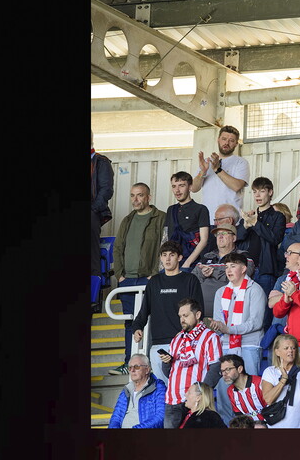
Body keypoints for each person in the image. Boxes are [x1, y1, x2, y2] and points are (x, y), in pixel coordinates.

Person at [110, 183, 167, 375]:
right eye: (133, 195)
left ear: (148, 197)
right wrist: (120, 274)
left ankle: (149, 363)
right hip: (127, 281)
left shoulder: (160, 218)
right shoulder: (127, 220)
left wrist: (155, 273)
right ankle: (129, 363)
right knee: (129, 323)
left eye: (140, 195)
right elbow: (117, 248)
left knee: (149, 322)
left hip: (148, 279)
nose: (136, 200)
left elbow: (164, 244)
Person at [129, 241, 203, 385]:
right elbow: (144, 311)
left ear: (180, 257)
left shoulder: (190, 280)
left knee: (186, 388)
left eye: (172, 255)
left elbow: (199, 313)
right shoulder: (154, 282)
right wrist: (137, 327)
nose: (167, 259)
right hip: (159, 346)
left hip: (185, 344)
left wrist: (188, 336)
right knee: (163, 391)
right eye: (164, 255)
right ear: (160, 258)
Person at [207, 252, 266, 424]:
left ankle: (256, 425)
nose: (228, 270)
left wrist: (229, 329)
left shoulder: (255, 290)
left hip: (249, 345)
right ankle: (228, 427)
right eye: (226, 267)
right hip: (224, 346)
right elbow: (219, 322)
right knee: (225, 391)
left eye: (233, 266)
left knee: (251, 392)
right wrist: (216, 326)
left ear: (244, 268)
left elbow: (255, 322)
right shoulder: (220, 292)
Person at [160, 298, 223, 428]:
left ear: (198, 315)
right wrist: (166, 363)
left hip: (194, 401)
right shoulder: (177, 339)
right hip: (172, 400)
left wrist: (201, 392)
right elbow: (169, 373)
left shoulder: (210, 337)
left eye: (186, 315)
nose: (182, 319)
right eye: (180, 316)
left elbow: (216, 368)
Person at [194, 223, 256, 321]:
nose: (220, 236)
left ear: (234, 238)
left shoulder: (243, 256)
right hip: (201, 316)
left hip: (228, 316)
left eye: (224, 233)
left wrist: (213, 272)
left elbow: (240, 276)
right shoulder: (207, 256)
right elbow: (193, 278)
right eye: (218, 234)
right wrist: (202, 273)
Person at [240, 177, 286, 302]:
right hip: (245, 269)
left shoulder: (278, 216)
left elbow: (275, 239)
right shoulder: (249, 215)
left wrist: (256, 223)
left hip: (265, 270)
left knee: (264, 310)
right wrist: (245, 226)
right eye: (254, 192)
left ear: (270, 192)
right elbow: (237, 239)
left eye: (261, 191)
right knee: (244, 308)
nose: (257, 195)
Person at [191, 125, 250, 215]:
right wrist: (202, 172)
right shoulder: (207, 162)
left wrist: (217, 169)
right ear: (218, 140)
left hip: (230, 219)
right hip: (207, 219)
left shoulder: (241, 162)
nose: (226, 143)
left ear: (236, 144)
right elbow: (193, 188)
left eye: (231, 140)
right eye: (224, 139)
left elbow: (236, 186)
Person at [261, 334, 300, 428]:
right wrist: (283, 379)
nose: (290, 350)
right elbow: (268, 400)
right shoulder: (270, 371)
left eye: (293, 348)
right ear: (277, 351)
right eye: (286, 348)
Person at [164, 171, 211, 272]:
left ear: (190, 187)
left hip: (192, 263)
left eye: (181, 186)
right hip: (172, 263)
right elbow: (166, 238)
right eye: (174, 186)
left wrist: (187, 264)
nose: (177, 190)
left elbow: (204, 240)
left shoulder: (201, 209)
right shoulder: (171, 209)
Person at [108, 354, 166, 428]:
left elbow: (161, 417)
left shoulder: (157, 387)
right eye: (130, 368)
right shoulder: (127, 389)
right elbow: (116, 418)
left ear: (147, 370)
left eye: (136, 367)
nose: (132, 370)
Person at [91, 132, 114, 275]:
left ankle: (93, 279)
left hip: (92, 211)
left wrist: (93, 209)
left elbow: (106, 190)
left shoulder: (101, 161)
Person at [220, 353, 267, 423]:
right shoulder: (230, 391)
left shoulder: (259, 383)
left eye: (228, 369)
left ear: (240, 369)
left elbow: (272, 409)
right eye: (222, 371)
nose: (224, 374)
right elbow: (240, 417)